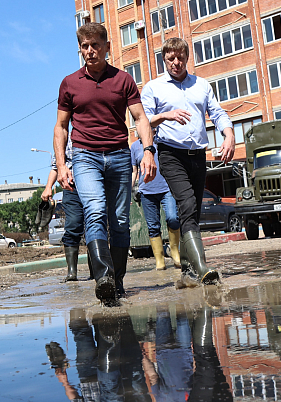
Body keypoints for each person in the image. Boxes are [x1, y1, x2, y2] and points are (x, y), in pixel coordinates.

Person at [55, 22, 156, 306]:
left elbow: (140, 118)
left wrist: (148, 151)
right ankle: (103, 279)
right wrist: (62, 165)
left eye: (95, 45)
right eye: (84, 46)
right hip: (85, 155)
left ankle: (118, 283)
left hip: (119, 156)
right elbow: (61, 127)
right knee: (95, 210)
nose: (89, 51)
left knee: (120, 221)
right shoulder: (69, 83)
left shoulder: (123, 80)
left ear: (107, 47)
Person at [140, 37, 235, 286]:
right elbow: (143, 122)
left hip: (198, 155)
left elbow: (217, 112)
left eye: (180, 57)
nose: (176, 62)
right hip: (171, 154)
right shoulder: (154, 87)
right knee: (187, 202)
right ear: (164, 60)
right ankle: (202, 267)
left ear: (187, 57)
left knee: (192, 211)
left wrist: (229, 135)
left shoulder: (201, 85)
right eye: (171, 58)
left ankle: (188, 271)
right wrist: (166, 115)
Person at [131, 135, 181, 271]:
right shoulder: (135, 146)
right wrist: (132, 188)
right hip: (146, 191)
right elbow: (134, 170)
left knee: (173, 218)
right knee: (153, 226)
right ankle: (160, 260)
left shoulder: (162, 141)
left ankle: (175, 252)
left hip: (166, 188)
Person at [41, 127, 85, 282]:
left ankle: (97, 271)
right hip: (71, 187)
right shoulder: (64, 140)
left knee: (95, 224)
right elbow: (55, 167)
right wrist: (48, 188)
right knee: (73, 225)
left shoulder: (92, 133)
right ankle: (72, 272)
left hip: (93, 185)